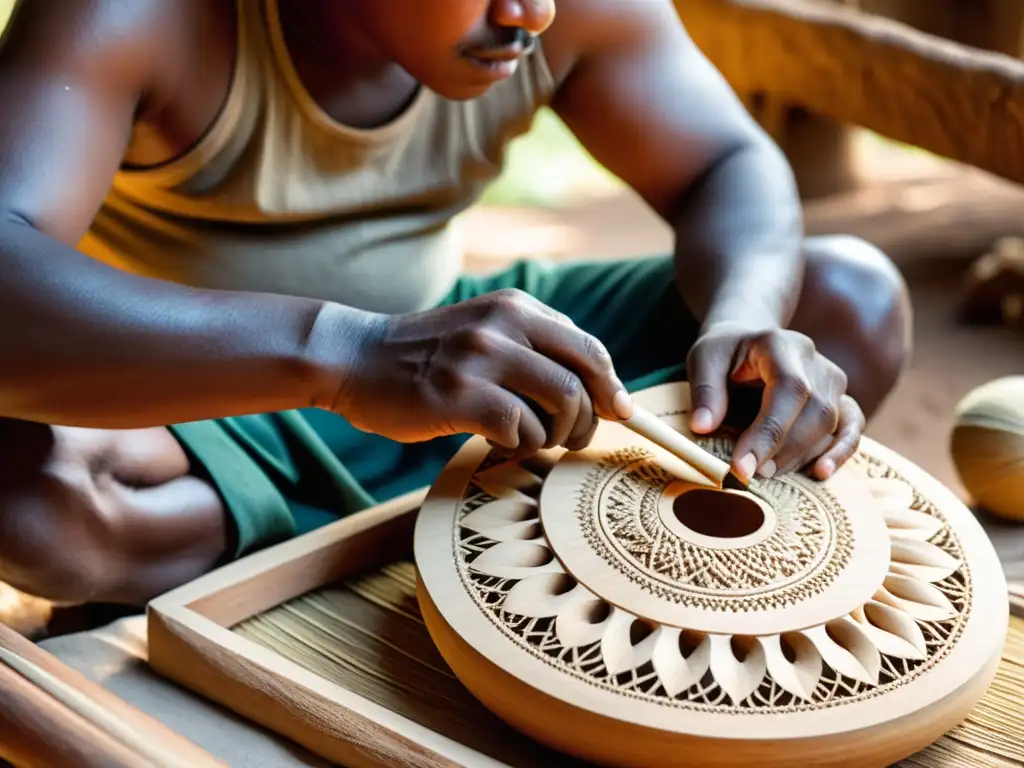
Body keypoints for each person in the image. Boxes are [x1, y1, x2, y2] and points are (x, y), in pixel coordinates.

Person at [0, 0, 910, 607]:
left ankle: (347, 537)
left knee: (843, 303)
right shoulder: (137, 16)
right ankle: (505, 507)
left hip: (460, 361)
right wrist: (352, 354)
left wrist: (744, 316)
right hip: (205, 401)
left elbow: (725, 162)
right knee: (27, 493)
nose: (532, 13)